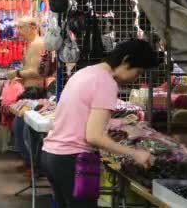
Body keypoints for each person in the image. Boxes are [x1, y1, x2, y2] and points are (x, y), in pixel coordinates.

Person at [41, 39, 158, 208]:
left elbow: (81, 116)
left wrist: (119, 123)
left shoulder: (87, 72)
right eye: (138, 72)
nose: (136, 78)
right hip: (72, 161)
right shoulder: (107, 83)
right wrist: (134, 153)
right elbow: (94, 136)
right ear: (126, 60)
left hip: (52, 156)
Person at [6, 17, 47, 172]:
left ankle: (34, 165)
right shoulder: (33, 45)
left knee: (23, 128)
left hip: (35, 91)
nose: (18, 31)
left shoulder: (37, 44)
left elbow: (37, 71)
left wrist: (16, 73)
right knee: (21, 127)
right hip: (30, 90)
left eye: (21, 27)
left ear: (32, 27)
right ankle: (31, 163)